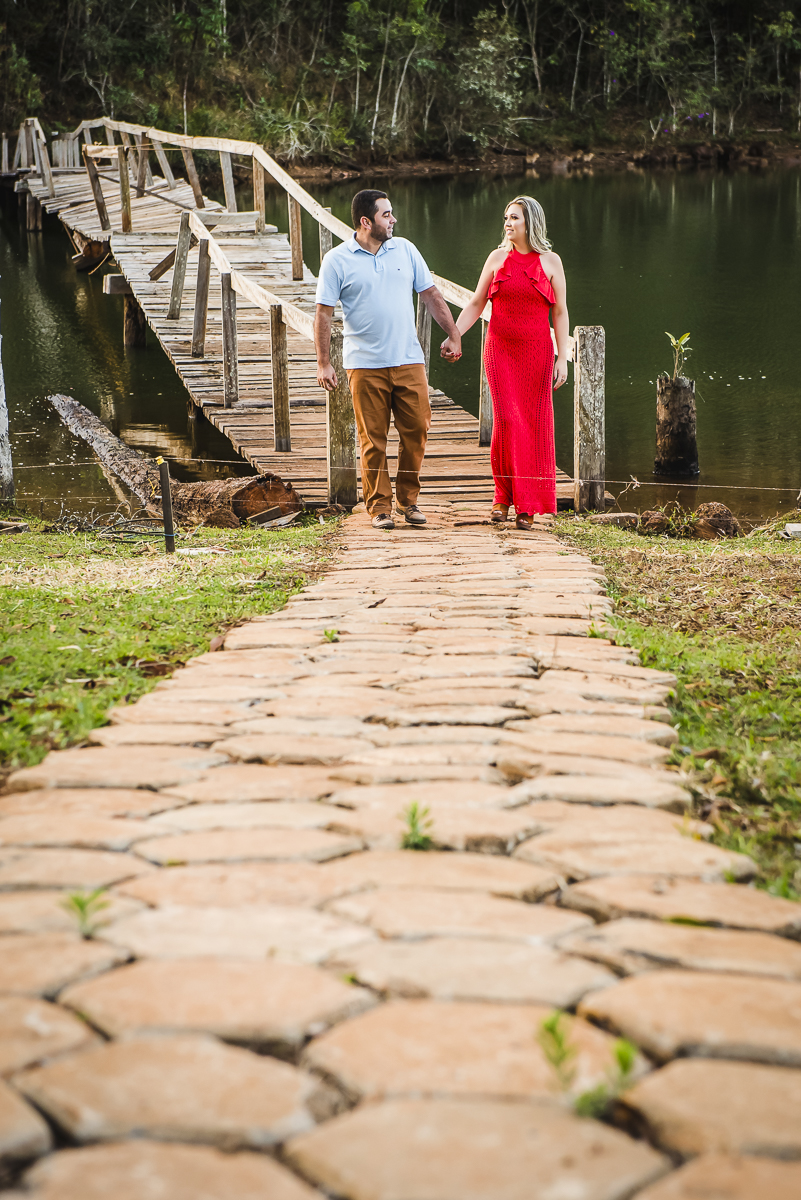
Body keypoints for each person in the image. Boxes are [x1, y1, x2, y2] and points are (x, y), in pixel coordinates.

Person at [314, 189, 462, 530]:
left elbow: (431, 294)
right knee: (373, 438)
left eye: (392, 214)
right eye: (386, 215)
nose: (393, 220)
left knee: (417, 430)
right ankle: (379, 507)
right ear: (366, 222)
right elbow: (323, 314)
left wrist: (453, 333)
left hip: (408, 360)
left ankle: (408, 501)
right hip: (364, 364)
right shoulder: (337, 260)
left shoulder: (406, 249)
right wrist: (324, 362)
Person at [453, 195, 569, 530]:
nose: (507, 223)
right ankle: (501, 498)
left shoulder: (550, 262)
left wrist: (563, 356)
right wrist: (455, 335)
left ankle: (527, 505)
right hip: (499, 349)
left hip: (536, 353)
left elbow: (560, 312)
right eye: (506, 217)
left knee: (532, 424)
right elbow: (476, 303)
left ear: (530, 222)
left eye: (514, 218)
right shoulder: (496, 258)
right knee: (506, 420)